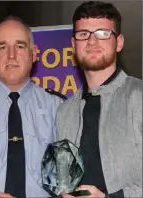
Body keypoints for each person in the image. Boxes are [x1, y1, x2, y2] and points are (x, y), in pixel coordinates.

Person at [0, 16, 65, 198]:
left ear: (34, 53)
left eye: (20, 46)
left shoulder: (58, 107)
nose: (11, 55)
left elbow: (68, 179)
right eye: (2, 47)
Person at [56, 1, 142, 198]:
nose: (92, 42)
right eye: (83, 34)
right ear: (73, 44)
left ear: (119, 42)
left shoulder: (138, 97)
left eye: (103, 33)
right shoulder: (64, 112)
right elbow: (63, 181)